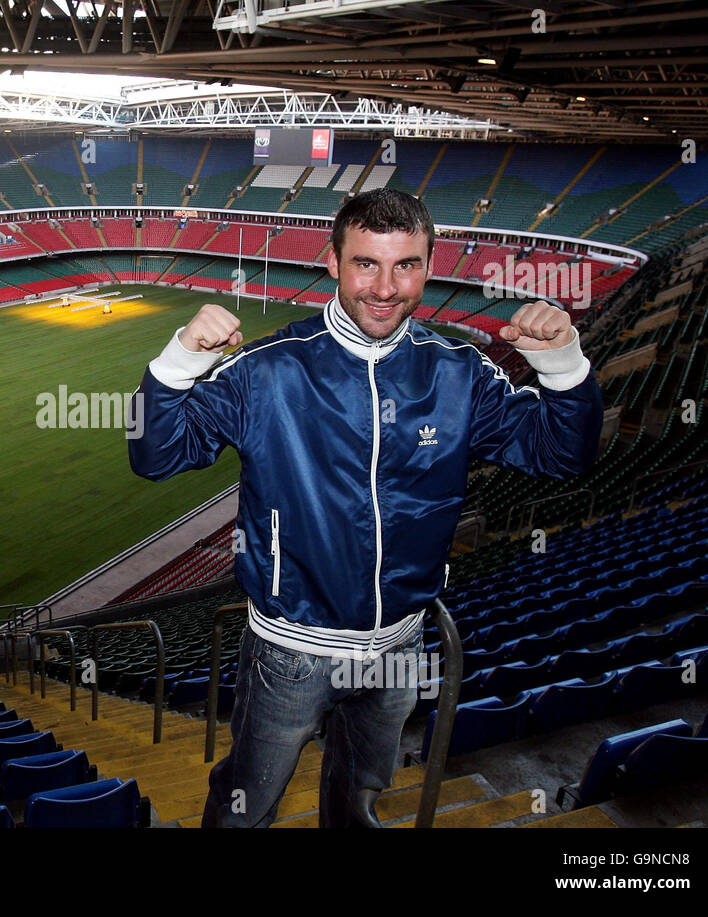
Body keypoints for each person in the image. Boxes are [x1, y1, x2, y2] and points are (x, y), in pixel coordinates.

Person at [127, 188, 603, 828]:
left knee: (359, 796)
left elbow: (562, 455)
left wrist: (562, 362)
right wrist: (179, 360)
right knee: (247, 802)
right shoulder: (267, 370)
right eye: (366, 264)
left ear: (428, 268)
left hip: (402, 642)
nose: (385, 287)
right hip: (290, 647)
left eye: (405, 264)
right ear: (332, 261)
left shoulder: (460, 373)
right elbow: (156, 456)